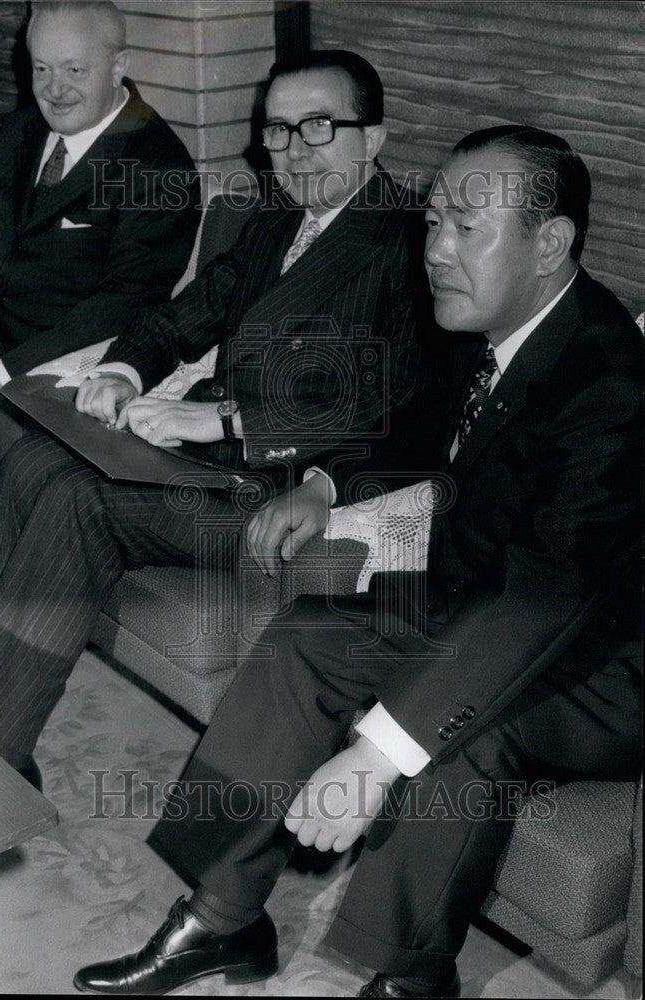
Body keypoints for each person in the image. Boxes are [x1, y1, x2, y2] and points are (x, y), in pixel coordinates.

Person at [70, 125, 641, 998]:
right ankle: (222, 918)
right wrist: (325, 485)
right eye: (433, 222)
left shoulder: (612, 385)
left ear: (550, 243)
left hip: (603, 663)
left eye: (466, 228)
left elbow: (541, 595)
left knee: (462, 735)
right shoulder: (483, 318)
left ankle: (409, 978)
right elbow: (413, 427)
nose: (436, 249)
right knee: (307, 636)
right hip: (482, 602)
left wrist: (375, 755)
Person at [0, 50, 425, 788]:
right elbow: (191, 311)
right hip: (211, 459)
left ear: (373, 136)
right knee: (30, 461)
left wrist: (223, 419)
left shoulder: (411, 241)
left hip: (279, 483)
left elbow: (392, 399)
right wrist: (123, 371)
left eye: (318, 126)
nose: (294, 150)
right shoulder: (278, 217)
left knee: (80, 499)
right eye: (278, 130)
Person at [0, 0, 198, 450]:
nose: (54, 90)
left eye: (74, 70)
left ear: (118, 67)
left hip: (56, 381)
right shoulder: (12, 132)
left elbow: (125, 304)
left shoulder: (159, 166)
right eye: (42, 69)